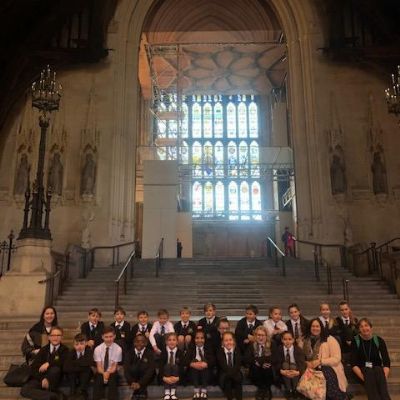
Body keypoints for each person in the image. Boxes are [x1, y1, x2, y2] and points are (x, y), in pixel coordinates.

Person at [303, 318, 348, 400]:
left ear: (321, 327)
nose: (315, 328)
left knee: (326, 372)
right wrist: (306, 363)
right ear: (310, 327)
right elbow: (300, 357)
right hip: (310, 367)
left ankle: (334, 397)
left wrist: (320, 361)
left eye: (317, 326)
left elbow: (337, 358)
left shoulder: (329, 339)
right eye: (313, 326)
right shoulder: (304, 340)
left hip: (328, 366)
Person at [21, 326, 68, 400]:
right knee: (24, 390)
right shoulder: (43, 350)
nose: (55, 337)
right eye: (53, 335)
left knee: (55, 369)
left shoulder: (65, 350)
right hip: (40, 378)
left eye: (58, 335)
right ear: (49, 337)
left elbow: (63, 363)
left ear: (62, 337)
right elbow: (34, 367)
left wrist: (49, 363)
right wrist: (43, 379)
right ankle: (54, 396)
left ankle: (49, 394)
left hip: (54, 379)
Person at [350, 318, 391, 400]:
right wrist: (365, 378)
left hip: (378, 372)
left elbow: (386, 362)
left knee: (378, 369)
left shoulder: (379, 340)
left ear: (371, 327)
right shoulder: (355, 341)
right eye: (361, 327)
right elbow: (353, 364)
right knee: (369, 372)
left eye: (366, 325)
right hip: (362, 372)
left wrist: (383, 377)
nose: (364, 328)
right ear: (359, 329)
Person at [272, 330, 306, 400]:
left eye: (290, 339)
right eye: (285, 339)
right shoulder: (279, 350)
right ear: (281, 340)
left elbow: (302, 363)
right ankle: (289, 390)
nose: (287, 341)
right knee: (285, 365)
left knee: (293, 367)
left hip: (295, 370)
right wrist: (281, 371)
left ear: (293, 340)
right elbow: (276, 363)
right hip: (284, 370)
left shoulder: (298, 350)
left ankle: (295, 389)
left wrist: (298, 372)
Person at [244, 326, 274, 400]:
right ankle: (261, 388)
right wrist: (258, 363)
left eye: (263, 335)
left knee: (267, 366)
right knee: (255, 366)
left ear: (266, 336)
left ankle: (267, 389)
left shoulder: (272, 344)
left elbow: (275, 358)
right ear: (255, 336)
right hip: (255, 372)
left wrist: (259, 362)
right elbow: (246, 358)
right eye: (258, 335)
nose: (260, 337)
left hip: (268, 371)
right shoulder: (251, 345)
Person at [93, 326, 122, 400]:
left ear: (114, 336)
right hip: (101, 371)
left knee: (113, 380)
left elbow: (114, 366)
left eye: (111, 336)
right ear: (102, 337)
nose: (109, 339)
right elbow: (99, 366)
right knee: (98, 380)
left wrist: (108, 373)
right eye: (106, 337)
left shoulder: (118, 349)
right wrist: (104, 374)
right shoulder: (97, 349)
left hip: (112, 371)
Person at [124, 334, 155, 400]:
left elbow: (151, 370)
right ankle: (140, 394)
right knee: (134, 368)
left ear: (146, 343)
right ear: (134, 343)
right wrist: (132, 382)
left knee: (143, 367)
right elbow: (126, 370)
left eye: (142, 341)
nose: (139, 343)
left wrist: (140, 383)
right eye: (137, 341)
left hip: (146, 379)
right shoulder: (129, 353)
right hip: (133, 378)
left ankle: (138, 393)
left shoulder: (150, 353)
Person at [63, 333, 94, 400]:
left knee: (87, 370)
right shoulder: (71, 352)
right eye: (77, 344)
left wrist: (74, 363)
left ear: (86, 343)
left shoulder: (89, 351)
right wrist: (81, 364)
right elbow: (66, 367)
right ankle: (72, 391)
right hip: (74, 374)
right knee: (71, 372)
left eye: (82, 344)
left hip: (85, 375)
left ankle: (82, 391)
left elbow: (89, 363)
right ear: (74, 345)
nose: (79, 346)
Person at [186, 330, 215, 400]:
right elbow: (185, 360)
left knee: (204, 361)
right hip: (193, 374)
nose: (199, 340)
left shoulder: (209, 348)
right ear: (194, 339)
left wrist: (205, 364)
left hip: (206, 374)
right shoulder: (191, 347)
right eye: (197, 338)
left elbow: (213, 360)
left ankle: (204, 391)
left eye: (202, 338)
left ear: (205, 339)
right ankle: (196, 391)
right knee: (194, 361)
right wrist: (192, 364)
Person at [216, 332, 243, 400]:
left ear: (233, 341)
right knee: (227, 380)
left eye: (230, 340)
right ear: (223, 343)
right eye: (226, 340)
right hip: (224, 373)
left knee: (238, 379)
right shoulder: (220, 351)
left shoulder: (237, 350)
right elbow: (224, 366)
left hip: (235, 372)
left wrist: (233, 374)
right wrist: (231, 374)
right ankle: (229, 397)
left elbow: (237, 365)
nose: (228, 342)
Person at [332, 301, 358, 369]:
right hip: (341, 350)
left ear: (349, 309)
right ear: (340, 311)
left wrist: (352, 341)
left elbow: (357, 334)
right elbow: (335, 335)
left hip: (353, 349)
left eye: (346, 309)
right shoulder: (336, 321)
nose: (344, 311)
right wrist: (346, 339)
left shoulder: (355, 320)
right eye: (342, 310)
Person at [159, 333, 185, 400]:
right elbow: (160, 367)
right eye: (169, 340)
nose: (172, 342)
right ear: (166, 342)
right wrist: (164, 378)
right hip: (165, 374)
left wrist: (178, 378)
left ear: (177, 342)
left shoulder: (180, 352)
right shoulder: (163, 352)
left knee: (175, 366)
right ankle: (167, 392)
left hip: (176, 375)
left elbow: (182, 367)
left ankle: (173, 392)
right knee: (167, 366)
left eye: (174, 340)